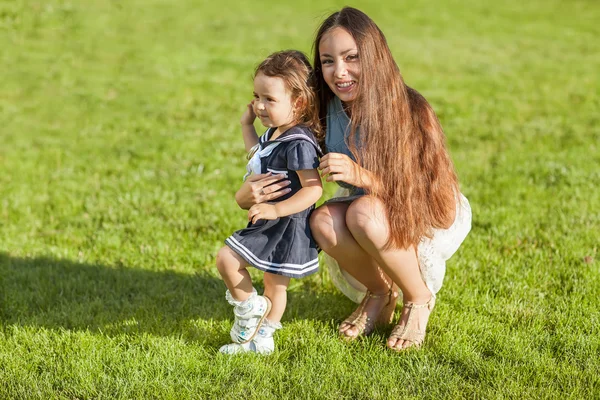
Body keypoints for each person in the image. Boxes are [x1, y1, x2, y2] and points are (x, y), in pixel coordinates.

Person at [307, 7, 472, 351]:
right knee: (322, 220)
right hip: (368, 204)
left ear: (375, 56)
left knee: (362, 213)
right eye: (327, 61)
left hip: (424, 208)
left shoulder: (408, 109)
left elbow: (427, 193)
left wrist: (359, 174)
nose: (339, 72)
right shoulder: (328, 107)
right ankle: (381, 293)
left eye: (352, 58)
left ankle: (418, 298)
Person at [216, 50, 323, 354]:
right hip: (269, 220)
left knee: (253, 273)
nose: (260, 105)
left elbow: (314, 189)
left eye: (269, 99)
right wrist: (246, 126)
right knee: (260, 277)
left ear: (298, 102)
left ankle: (257, 325)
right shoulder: (276, 132)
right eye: (256, 96)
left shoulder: (299, 142)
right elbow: (257, 157)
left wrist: (276, 209)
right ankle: (254, 323)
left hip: (286, 223)